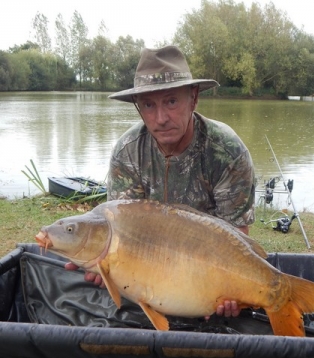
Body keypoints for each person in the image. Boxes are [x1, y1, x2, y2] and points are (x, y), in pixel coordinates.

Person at [67, 45, 255, 319]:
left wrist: (231, 292)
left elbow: (239, 243)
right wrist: (105, 267)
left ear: (193, 98)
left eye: (170, 101)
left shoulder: (227, 151)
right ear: (138, 107)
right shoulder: (127, 152)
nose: (160, 118)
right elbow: (120, 230)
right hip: (147, 275)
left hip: (207, 272)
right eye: (148, 105)